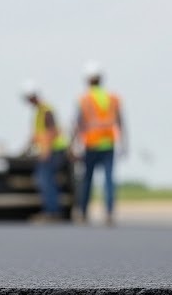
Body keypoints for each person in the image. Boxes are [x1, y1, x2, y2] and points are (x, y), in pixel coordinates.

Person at [72, 61, 127, 225]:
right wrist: (124, 144)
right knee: (109, 180)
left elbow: (77, 123)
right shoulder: (113, 98)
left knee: (87, 180)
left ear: (87, 80)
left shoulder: (84, 99)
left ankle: (83, 213)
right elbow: (120, 122)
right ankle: (109, 213)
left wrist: (73, 145)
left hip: (91, 144)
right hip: (109, 144)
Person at [22, 81, 69, 221]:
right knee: (46, 180)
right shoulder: (39, 112)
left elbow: (52, 131)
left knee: (45, 180)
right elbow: (37, 135)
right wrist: (26, 150)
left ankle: (52, 211)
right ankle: (52, 210)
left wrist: (46, 151)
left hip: (53, 151)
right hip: (49, 150)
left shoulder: (45, 110)